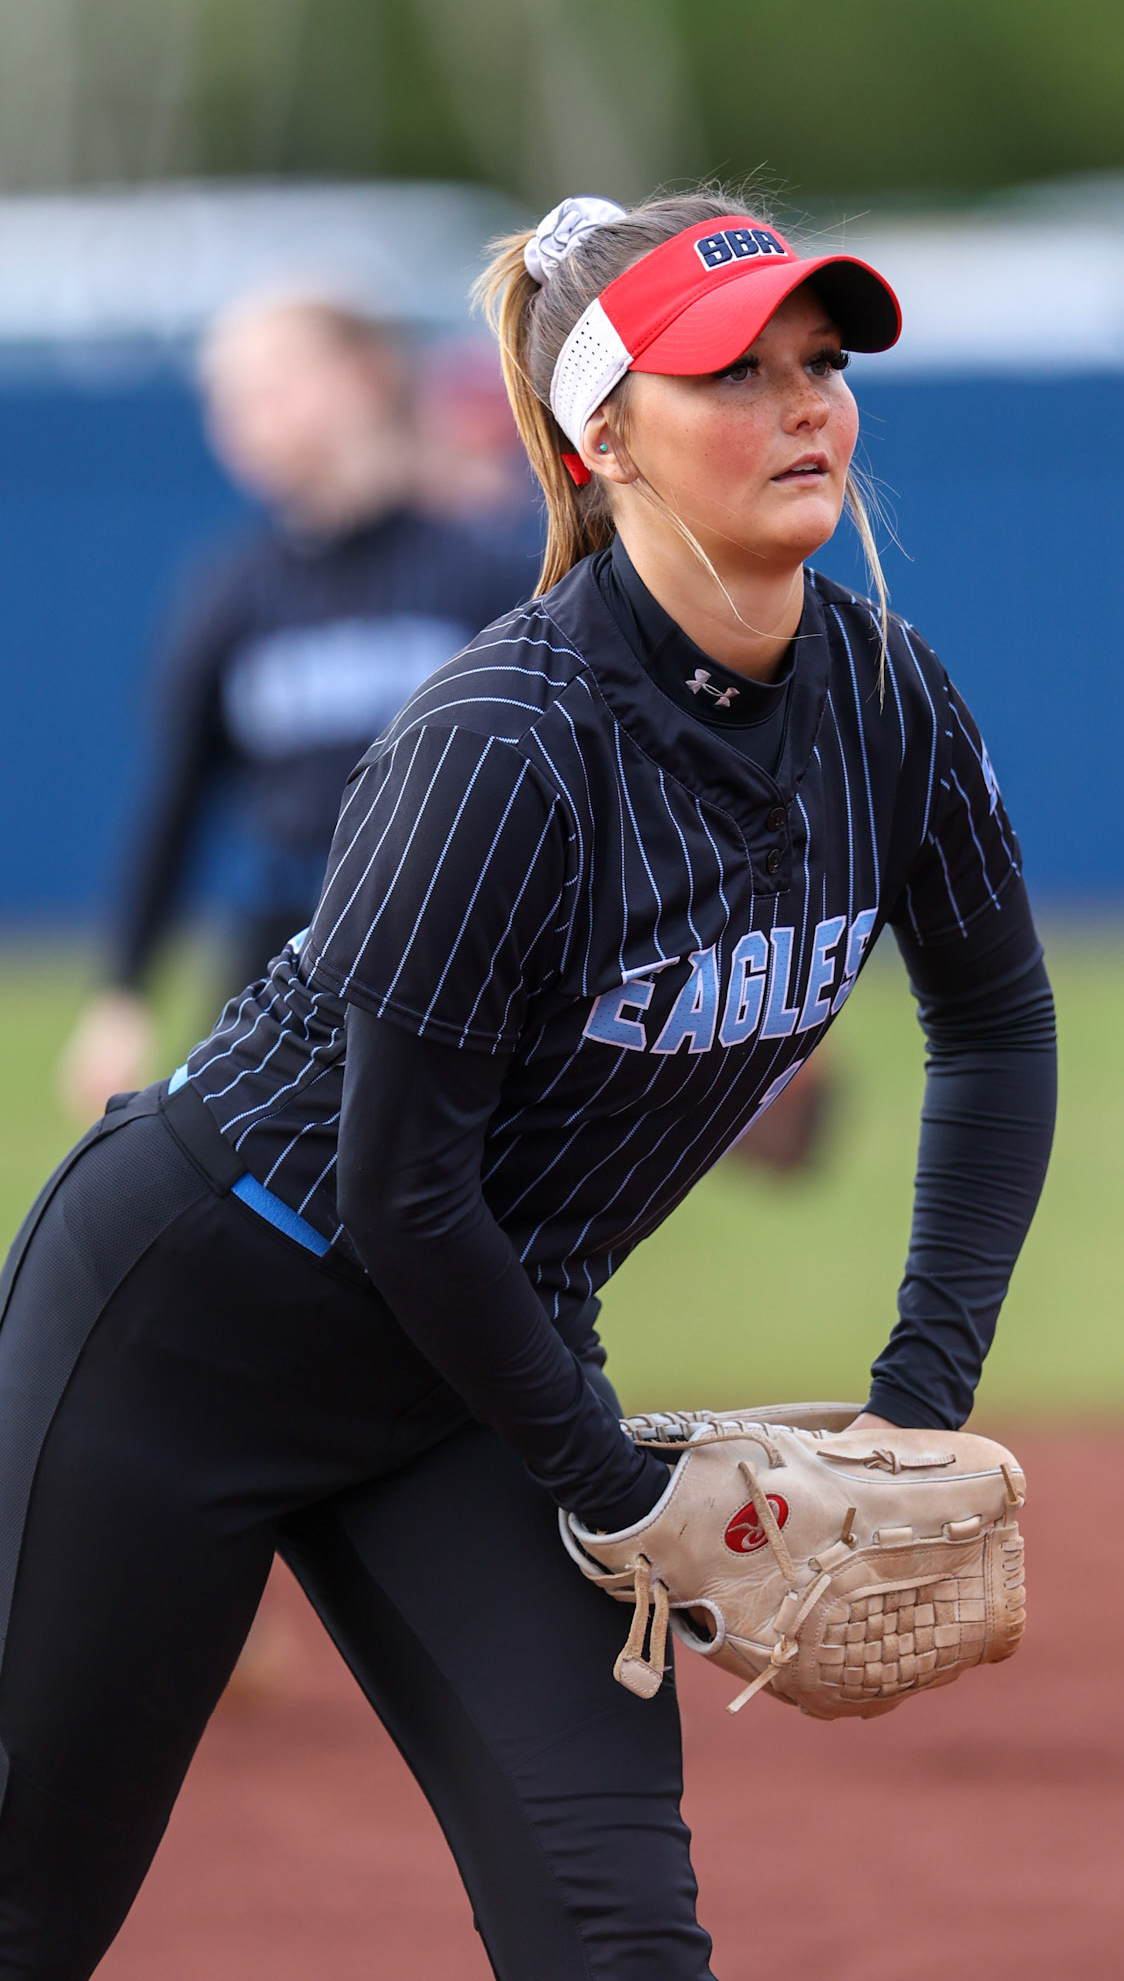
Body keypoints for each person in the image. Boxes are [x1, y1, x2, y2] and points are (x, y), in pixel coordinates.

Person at [0, 191, 1057, 1979]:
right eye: (736, 371)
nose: (806, 404)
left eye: (823, 362)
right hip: (190, 1320)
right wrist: (613, 1482)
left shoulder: (890, 705)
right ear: (599, 437)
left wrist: (915, 1397)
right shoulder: (503, 739)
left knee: (617, 1933)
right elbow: (399, 1183)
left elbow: (999, 1030)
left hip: (478, 1353)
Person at [57, 294, 533, 1124]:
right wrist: (123, 993)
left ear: (364, 378)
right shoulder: (232, 592)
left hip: (449, 956)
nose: (238, 419)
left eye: (268, 386)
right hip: (281, 963)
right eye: (223, 399)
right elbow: (176, 798)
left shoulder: (485, 575)